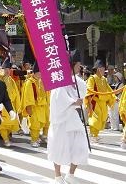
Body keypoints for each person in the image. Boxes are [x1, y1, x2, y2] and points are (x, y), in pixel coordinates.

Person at [47, 50, 89, 184]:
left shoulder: (77, 80)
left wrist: (78, 99)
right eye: (78, 65)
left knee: (80, 145)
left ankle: (70, 175)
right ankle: (57, 176)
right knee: (59, 146)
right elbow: (58, 97)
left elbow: (83, 91)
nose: (79, 67)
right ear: (72, 64)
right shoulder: (59, 77)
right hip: (61, 118)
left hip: (72, 118)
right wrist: (72, 101)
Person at [85, 60, 116, 143]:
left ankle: (96, 134)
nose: (103, 71)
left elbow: (109, 89)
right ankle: (92, 135)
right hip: (95, 102)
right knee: (95, 119)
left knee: (102, 118)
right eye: (102, 69)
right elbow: (89, 89)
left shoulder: (104, 79)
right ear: (98, 69)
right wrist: (94, 94)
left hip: (103, 102)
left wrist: (114, 96)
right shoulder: (92, 78)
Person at [21, 61, 49, 148]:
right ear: (35, 72)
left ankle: (44, 136)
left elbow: (48, 93)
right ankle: (34, 140)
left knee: (47, 122)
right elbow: (28, 97)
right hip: (34, 107)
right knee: (35, 124)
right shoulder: (30, 82)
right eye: (39, 73)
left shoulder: (43, 80)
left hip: (44, 106)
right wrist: (29, 109)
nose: (41, 74)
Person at [0, 57, 20, 147]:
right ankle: (5, 139)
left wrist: (17, 104)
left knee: (11, 122)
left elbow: (16, 93)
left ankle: (7, 136)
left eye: (8, 69)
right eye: (5, 69)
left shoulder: (11, 80)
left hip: (10, 104)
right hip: (1, 105)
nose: (7, 71)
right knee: (3, 124)